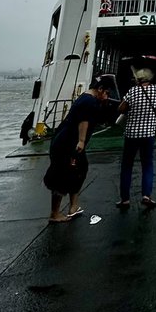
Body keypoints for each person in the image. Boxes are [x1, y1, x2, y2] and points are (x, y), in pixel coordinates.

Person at [43, 76, 114, 223]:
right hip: (68, 143)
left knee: (80, 169)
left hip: (65, 141)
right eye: (106, 92)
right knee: (63, 174)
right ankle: (55, 213)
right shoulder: (89, 101)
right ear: (100, 89)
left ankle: (74, 206)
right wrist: (81, 141)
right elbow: (84, 121)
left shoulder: (85, 98)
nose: (107, 96)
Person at [117, 65, 156, 210]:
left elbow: (121, 108)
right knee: (147, 165)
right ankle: (146, 195)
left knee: (127, 166)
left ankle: (125, 199)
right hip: (149, 134)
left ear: (137, 79)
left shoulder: (132, 91)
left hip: (131, 134)